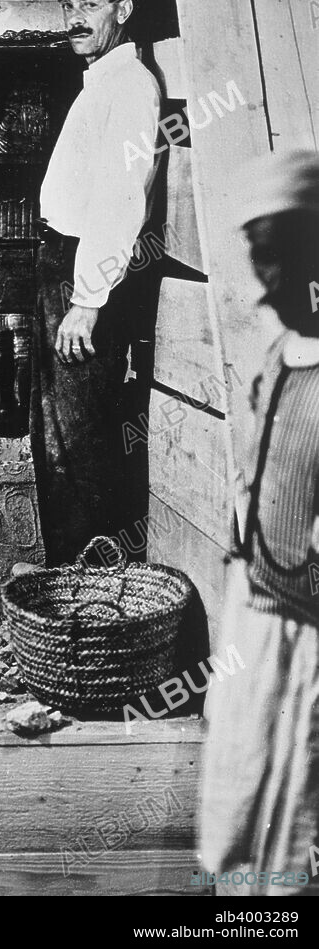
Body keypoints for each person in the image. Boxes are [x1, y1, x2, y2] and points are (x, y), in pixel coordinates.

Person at [200, 150, 319, 897]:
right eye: (256, 255)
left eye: (277, 256)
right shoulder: (278, 354)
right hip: (260, 609)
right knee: (246, 774)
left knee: (300, 785)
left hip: (310, 629)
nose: (262, 279)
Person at [31, 0, 162, 565]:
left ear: (123, 10)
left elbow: (119, 201)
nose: (75, 18)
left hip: (82, 277)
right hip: (64, 266)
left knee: (76, 441)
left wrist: (86, 302)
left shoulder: (129, 86)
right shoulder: (102, 82)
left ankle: (84, 593)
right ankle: (69, 581)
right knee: (57, 432)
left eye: (90, 4)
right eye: (67, 5)